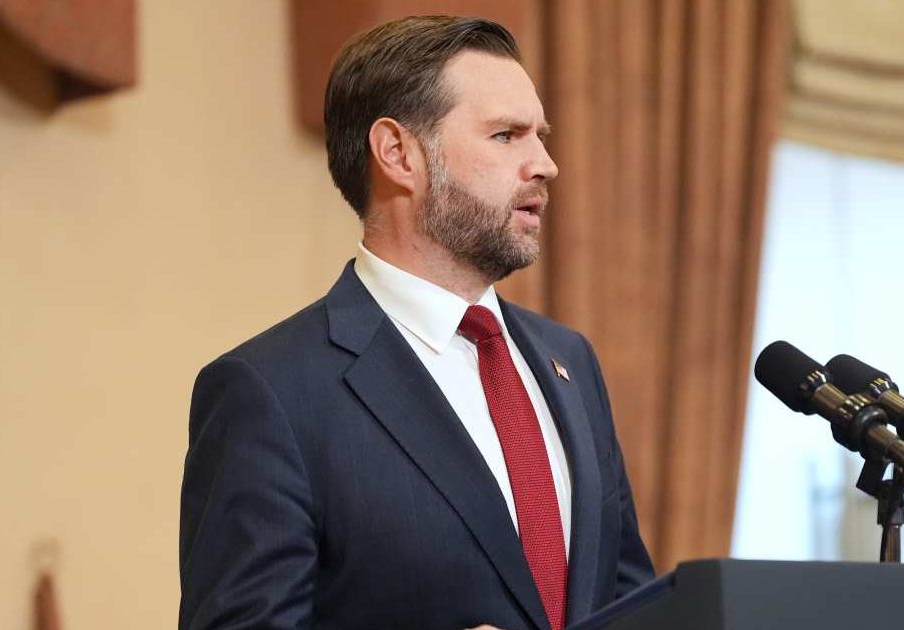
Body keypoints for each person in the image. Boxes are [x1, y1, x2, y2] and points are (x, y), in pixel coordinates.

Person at [179, 15, 654, 630]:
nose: (545, 164)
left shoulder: (571, 362)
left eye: (540, 135)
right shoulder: (270, 392)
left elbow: (630, 603)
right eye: (507, 136)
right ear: (398, 154)